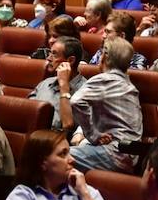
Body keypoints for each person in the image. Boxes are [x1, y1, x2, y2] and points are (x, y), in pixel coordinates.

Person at [4, 130, 116, 200]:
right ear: (42, 163)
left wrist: (84, 194)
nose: (72, 159)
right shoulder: (22, 197)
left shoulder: (85, 190)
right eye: (63, 154)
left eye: (69, 153)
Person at [60, 39, 144, 173]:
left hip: (114, 153)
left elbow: (77, 101)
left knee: (53, 157)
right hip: (129, 155)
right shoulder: (127, 83)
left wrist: (92, 135)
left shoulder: (105, 79)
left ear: (104, 57)